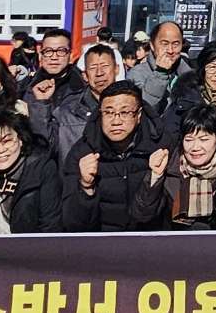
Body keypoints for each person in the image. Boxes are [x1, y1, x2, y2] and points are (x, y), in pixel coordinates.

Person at [62, 82, 168, 232]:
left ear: (138, 115)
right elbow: (73, 225)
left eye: (125, 113)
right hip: (103, 239)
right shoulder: (82, 153)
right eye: (109, 113)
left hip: (152, 237)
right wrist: (85, 186)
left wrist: (154, 178)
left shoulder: (161, 146)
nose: (116, 121)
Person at [160, 112, 216, 229]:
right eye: (189, 140)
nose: (195, 147)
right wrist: (154, 177)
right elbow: (143, 215)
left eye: (203, 139)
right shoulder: (169, 167)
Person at [124, 20, 192, 115]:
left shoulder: (189, 74)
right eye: (164, 44)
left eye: (175, 44)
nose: (170, 50)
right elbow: (143, 108)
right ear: (152, 45)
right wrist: (160, 74)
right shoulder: (137, 74)